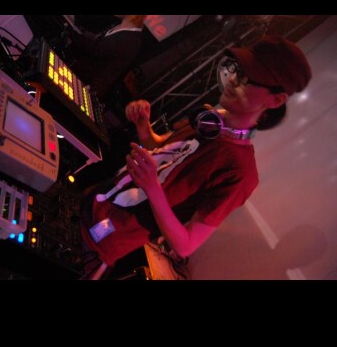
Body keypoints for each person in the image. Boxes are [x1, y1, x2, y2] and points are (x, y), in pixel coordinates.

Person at [78, 35, 312, 279]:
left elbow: (185, 245)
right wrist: (143, 127)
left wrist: (152, 187)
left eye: (246, 79)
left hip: (97, 243)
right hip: (90, 200)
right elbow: (161, 149)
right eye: (236, 71)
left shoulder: (240, 172)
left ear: (275, 100)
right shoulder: (209, 120)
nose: (232, 80)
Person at [64, 15, 147, 101]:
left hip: (84, 84)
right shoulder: (121, 24)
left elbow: (98, 51)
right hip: (78, 73)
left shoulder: (132, 41)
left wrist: (71, 30)